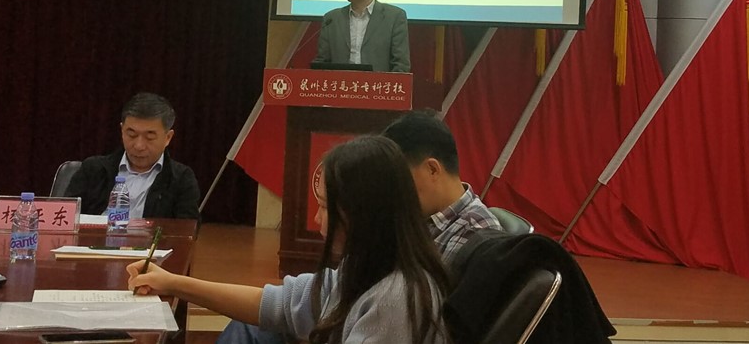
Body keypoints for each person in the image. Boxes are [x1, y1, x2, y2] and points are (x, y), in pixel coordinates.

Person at [128, 136, 450, 344]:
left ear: (361, 214)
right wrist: (172, 283)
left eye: (324, 207)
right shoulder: (369, 267)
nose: (317, 219)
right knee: (251, 329)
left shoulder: (395, 300)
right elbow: (278, 304)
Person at [381, 109, 501, 264]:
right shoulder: (422, 215)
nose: (395, 190)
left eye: (399, 179)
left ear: (432, 169)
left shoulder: (477, 234)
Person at [65, 92, 200, 220]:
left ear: (168, 138)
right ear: (122, 131)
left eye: (149, 137)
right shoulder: (93, 169)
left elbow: (186, 229)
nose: (139, 145)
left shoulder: (181, 179)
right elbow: (65, 217)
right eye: (131, 135)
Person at [313, 0, 410, 73]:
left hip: (377, 83)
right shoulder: (332, 18)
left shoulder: (394, 17)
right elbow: (322, 63)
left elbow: (400, 65)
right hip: (341, 83)